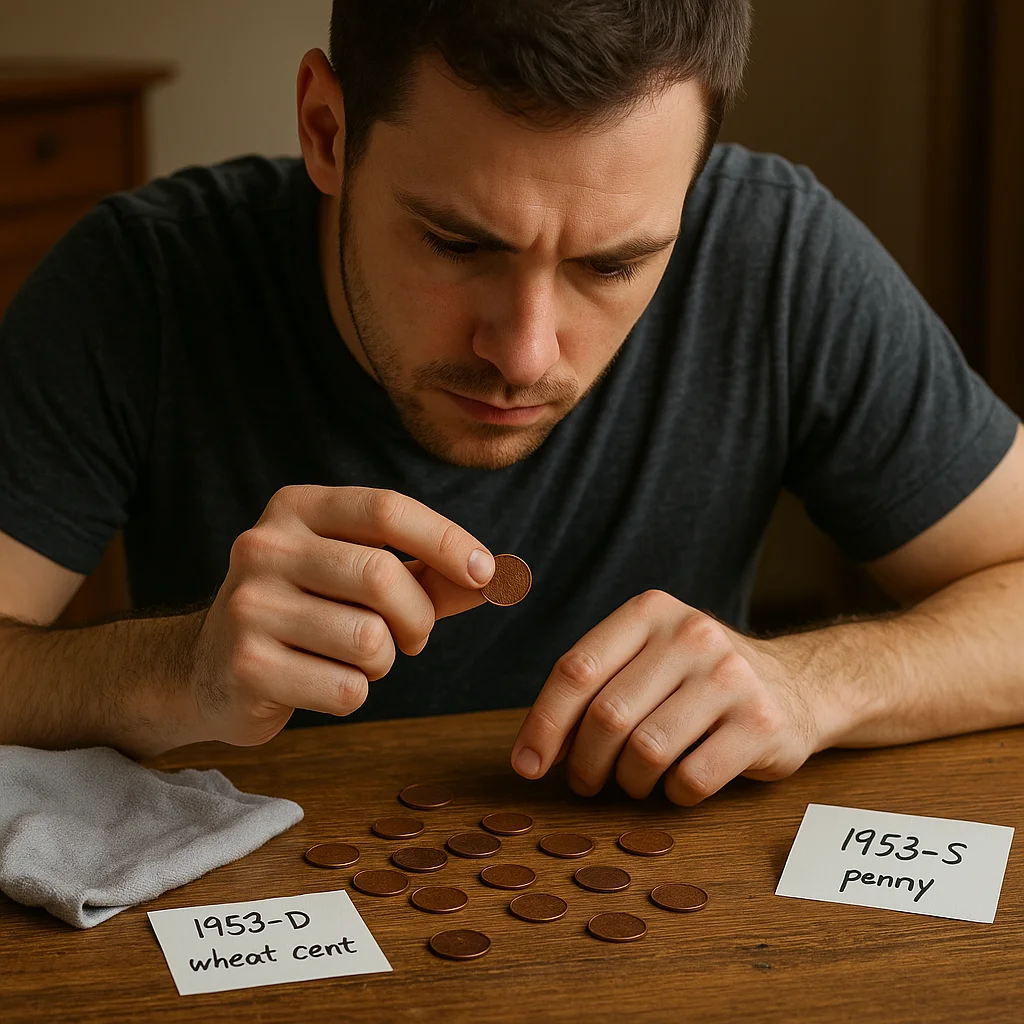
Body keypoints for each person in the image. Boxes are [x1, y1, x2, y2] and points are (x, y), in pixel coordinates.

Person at [1, 0, 1022, 808]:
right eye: (457, 244)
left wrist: (817, 682)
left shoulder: (778, 255)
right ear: (326, 128)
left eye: (614, 263)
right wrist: (180, 668)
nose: (524, 356)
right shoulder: (140, 282)